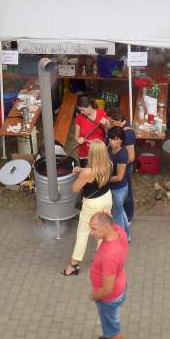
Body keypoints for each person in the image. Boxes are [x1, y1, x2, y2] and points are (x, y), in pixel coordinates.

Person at [62, 140, 114, 276]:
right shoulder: (109, 164)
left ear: (92, 154)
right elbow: (96, 171)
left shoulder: (87, 173)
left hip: (92, 204)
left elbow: (75, 189)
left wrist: (80, 175)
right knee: (102, 232)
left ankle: (73, 265)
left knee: (83, 233)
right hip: (107, 198)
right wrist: (82, 170)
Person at [88, 211, 129, 339]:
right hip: (121, 283)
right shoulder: (119, 231)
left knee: (113, 326)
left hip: (109, 298)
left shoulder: (109, 255)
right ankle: (110, 338)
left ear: (106, 227)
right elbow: (113, 221)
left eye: (94, 229)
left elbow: (107, 289)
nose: (91, 233)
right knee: (110, 324)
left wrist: (94, 296)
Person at [107, 109, 136, 223]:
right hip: (117, 165)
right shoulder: (117, 128)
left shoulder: (127, 134)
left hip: (124, 168)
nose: (109, 123)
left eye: (111, 121)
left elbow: (131, 157)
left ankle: (128, 217)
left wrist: (118, 164)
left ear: (119, 121)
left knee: (126, 194)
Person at [106, 127, 130, 238]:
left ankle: (121, 238)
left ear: (121, 140)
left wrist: (104, 179)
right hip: (114, 188)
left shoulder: (122, 154)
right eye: (110, 139)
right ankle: (127, 235)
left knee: (117, 216)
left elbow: (119, 177)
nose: (111, 142)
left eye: (115, 139)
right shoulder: (110, 148)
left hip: (119, 189)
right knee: (121, 211)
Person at [74, 95, 108, 167]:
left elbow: (108, 134)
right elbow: (76, 137)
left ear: (89, 106)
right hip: (85, 153)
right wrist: (78, 139)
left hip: (98, 152)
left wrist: (106, 125)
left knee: (99, 172)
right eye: (80, 110)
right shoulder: (79, 118)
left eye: (83, 110)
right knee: (85, 172)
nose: (81, 112)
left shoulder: (102, 114)